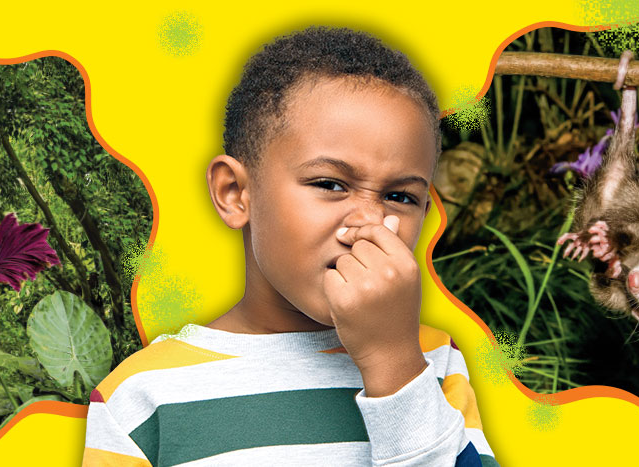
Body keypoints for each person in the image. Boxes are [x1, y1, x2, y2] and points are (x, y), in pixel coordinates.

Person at [83, 26, 497, 466]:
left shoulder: (431, 363)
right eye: (330, 184)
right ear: (235, 193)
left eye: (400, 197)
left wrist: (391, 363)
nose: (369, 223)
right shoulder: (141, 397)